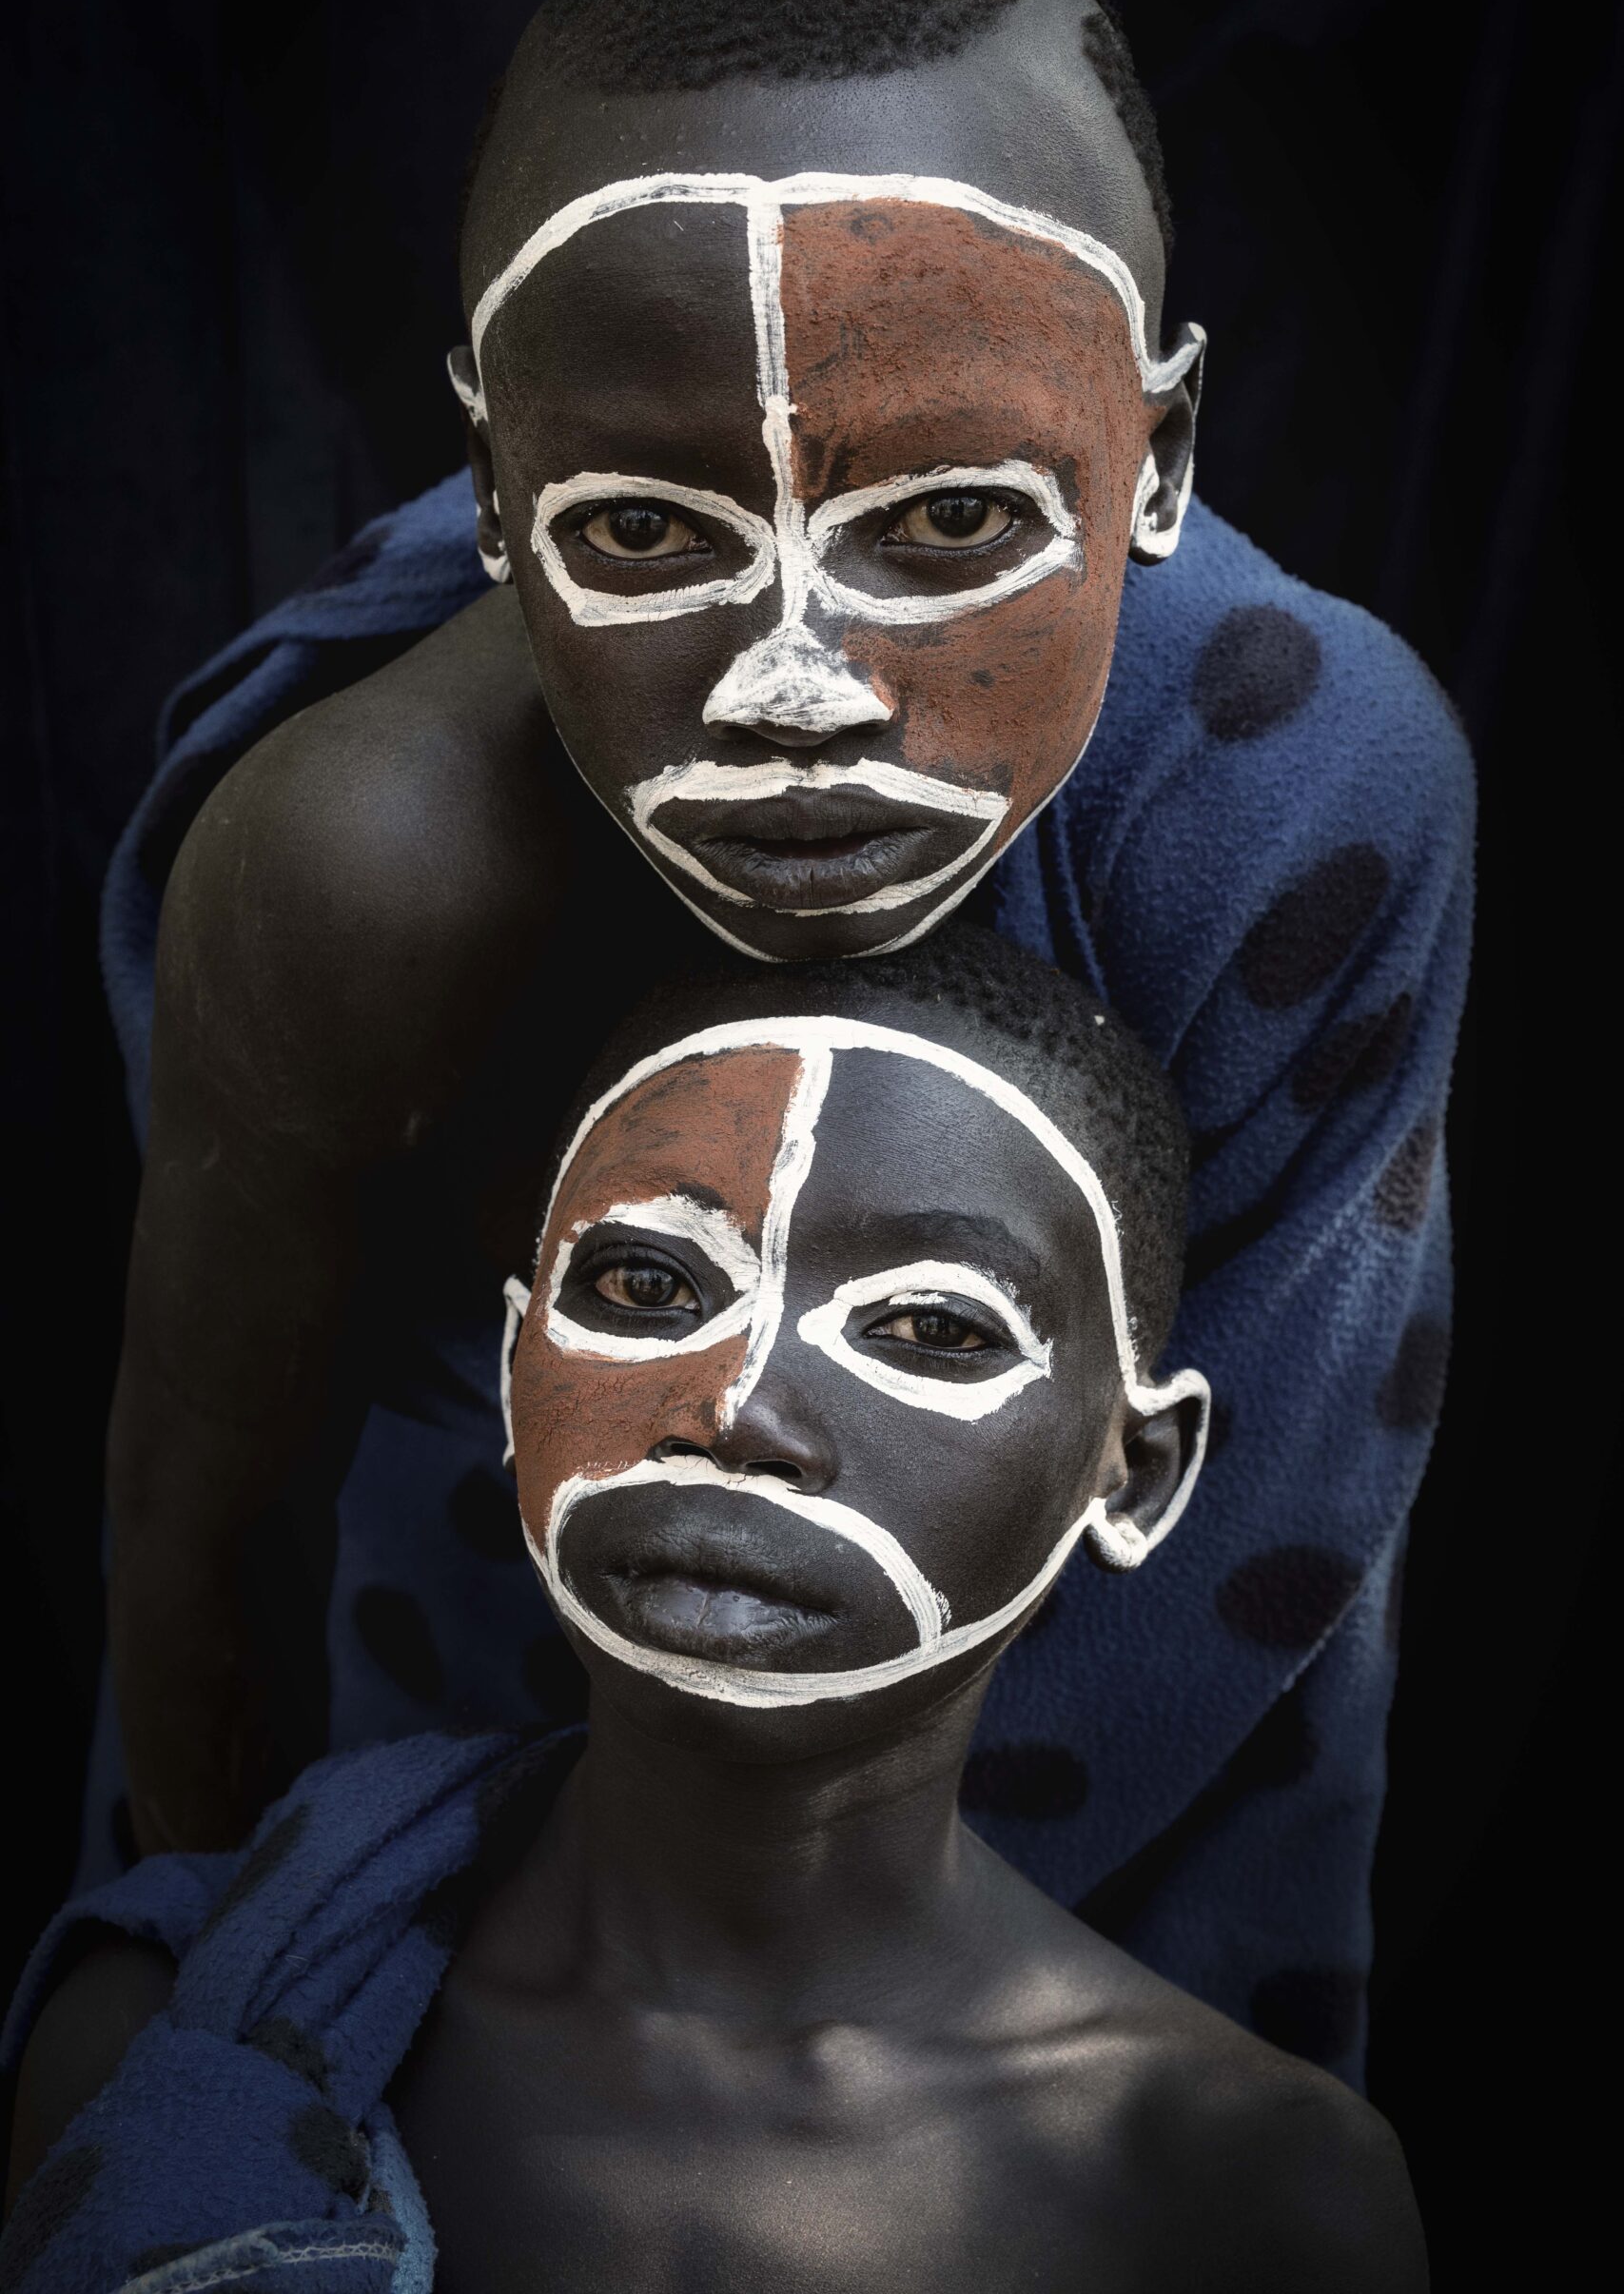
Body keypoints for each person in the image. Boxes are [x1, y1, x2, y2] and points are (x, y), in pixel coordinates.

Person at [95, 0, 1473, 2080]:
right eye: (645, 533)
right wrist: (262, 2043)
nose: (797, 689)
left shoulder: (1296, 795)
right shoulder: (361, 873)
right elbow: (203, 1549)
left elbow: (1257, 1569)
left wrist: (957, 2091)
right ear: (489, 483)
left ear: (1159, 463)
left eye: (947, 525)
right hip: (472, 1756)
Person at [5, 932, 1426, 2290]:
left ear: (1135, 1474)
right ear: (516, 1374)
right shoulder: (172, 2030)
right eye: (645, 1283)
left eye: (931, 1325)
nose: (738, 1408)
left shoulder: (1249, 2200)